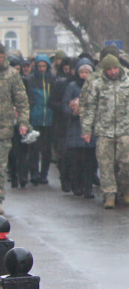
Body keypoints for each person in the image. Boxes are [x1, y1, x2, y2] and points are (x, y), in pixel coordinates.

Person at [80, 55, 129, 209]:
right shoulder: (97, 84)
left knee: (127, 162)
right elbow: (89, 108)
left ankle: (127, 188)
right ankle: (109, 194)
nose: (112, 72)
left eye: (115, 68)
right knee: (105, 164)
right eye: (109, 69)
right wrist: (87, 129)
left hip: (126, 129)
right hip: (104, 130)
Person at [0, 46, 30, 214]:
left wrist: (23, 122)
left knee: (0, 167)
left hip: (4, 129)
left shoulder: (11, 74)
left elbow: (22, 100)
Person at [62, 59, 97, 199]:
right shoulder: (72, 86)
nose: (84, 75)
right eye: (82, 72)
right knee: (76, 160)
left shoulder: (96, 85)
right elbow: (64, 105)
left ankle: (88, 187)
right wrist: (72, 112)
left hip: (92, 129)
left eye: (87, 72)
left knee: (90, 161)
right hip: (76, 129)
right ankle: (77, 185)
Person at [23, 54, 54, 186]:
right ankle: (34, 173)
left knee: (46, 149)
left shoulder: (53, 80)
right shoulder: (29, 80)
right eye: (39, 66)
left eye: (44, 66)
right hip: (35, 118)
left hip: (49, 119)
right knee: (34, 148)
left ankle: (44, 174)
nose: (42, 69)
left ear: (48, 66)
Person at [50, 55, 73, 193]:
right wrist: (64, 107)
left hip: (76, 124)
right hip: (62, 124)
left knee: (75, 154)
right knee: (64, 154)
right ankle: (65, 178)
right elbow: (51, 102)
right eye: (66, 69)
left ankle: (75, 179)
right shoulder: (60, 84)